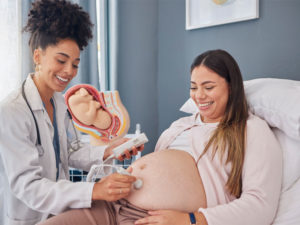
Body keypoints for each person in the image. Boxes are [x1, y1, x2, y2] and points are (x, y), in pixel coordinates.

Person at [39, 49, 282, 225]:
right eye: (194, 87)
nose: (199, 96)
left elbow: (261, 205)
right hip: (115, 205)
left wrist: (191, 220)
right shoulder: (181, 125)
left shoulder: (251, 129)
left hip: (160, 220)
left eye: (208, 87)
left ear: (232, 86)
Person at [0, 1, 142, 224]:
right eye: (61, 60)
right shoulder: (11, 112)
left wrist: (107, 151)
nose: (69, 72)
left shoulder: (59, 102)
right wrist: (92, 191)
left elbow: (71, 150)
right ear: (37, 57)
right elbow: (29, 187)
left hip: (60, 215)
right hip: (28, 219)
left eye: (75, 64)